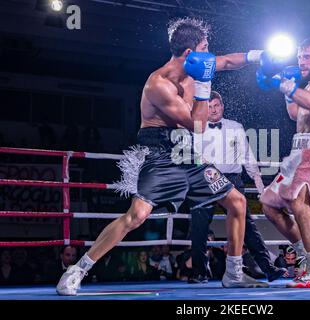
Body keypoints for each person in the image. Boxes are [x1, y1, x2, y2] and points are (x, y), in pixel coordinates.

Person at [56, 17, 267, 295]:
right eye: (205, 47)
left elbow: (228, 61)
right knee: (137, 215)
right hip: (159, 151)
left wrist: (259, 56)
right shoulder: (158, 84)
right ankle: (77, 270)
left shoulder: (197, 66)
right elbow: (199, 126)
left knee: (237, 202)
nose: (209, 53)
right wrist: (204, 88)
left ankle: (233, 272)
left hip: (187, 152)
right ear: (190, 53)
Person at [257, 38, 310, 288]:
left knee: (298, 201)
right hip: (299, 148)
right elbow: (295, 113)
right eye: (300, 57)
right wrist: (288, 88)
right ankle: (306, 254)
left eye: (308, 57)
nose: (301, 61)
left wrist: (283, 84)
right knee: (269, 203)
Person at [188, 90, 286, 283]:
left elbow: (248, 158)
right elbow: (196, 158)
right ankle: (199, 272)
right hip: (205, 179)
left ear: (222, 106)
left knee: (246, 225)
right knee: (199, 225)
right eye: (209, 107)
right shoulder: (196, 128)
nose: (213, 110)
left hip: (233, 179)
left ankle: (267, 268)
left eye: (216, 105)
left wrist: (261, 188)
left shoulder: (236, 127)